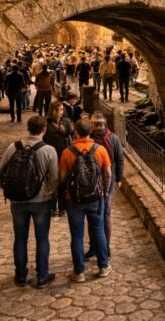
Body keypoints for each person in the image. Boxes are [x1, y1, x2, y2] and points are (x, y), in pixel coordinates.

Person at [0, 116, 58, 288]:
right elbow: (54, 178)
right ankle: (42, 275)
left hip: (17, 201)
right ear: (44, 130)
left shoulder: (13, 147)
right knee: (42, 238)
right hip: (41, 201)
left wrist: (9, 189)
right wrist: (50, 193)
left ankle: (21, 276)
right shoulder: (49, 150)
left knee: (20, 238)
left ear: (28, 128)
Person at [59, 118, 112, 282]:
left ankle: (79, 272)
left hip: (74, 199)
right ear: (91, 131)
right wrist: (104, 191)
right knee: (98, 231)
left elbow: (61, 178)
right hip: (96, 197)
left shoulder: (67, 152)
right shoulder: (100, 150)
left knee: (77, 235)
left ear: (76, 131)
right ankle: (103, 267)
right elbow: (108, 174)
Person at [85, 113, 124, 260]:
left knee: (93, 213)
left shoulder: (89, 139)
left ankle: (95, 247)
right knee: (105, 212)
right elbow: (120, 159)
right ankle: (105, 247)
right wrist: (118, 178)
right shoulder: (113, 138)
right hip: (109, 176)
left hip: (92, 178)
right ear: (105, 123)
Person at [44, 100, 74, 217]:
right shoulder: (46, 123)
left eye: (61, 109)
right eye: (57, 110)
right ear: (52, 111)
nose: (60, 112)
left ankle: (62, 207)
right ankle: (53, 206)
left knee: (63, 182)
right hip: (51, 156)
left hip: (63, 155)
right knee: (53, 182)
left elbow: (71, 134)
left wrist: (66, 131)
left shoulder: (66, 122)